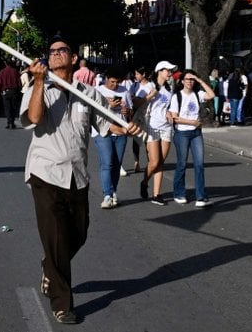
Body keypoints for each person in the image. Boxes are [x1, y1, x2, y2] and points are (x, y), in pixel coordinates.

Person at [20, 35, 140, 325]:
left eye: (62, 50)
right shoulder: (40, 88)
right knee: (57, 238)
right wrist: (37, 83)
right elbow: (34, 118)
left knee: (80, 233)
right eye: (52, 51)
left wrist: (128, 127)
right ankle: (62, 304)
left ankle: (50, 266)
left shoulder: (89, 93)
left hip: (77, 175)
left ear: (74, 58)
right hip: (45, 173)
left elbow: (106, 124)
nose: (56, 54)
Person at [167, 70, 216, 207]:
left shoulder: (197, 94)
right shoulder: (177, 96)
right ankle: (179, 193)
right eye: (187, 79)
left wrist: (200, 80)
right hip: (182, 133)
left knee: (199, 165)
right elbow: (174, 117)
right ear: (182, 81)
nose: (190, 82)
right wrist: (192, 122)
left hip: (196, 133)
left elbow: (211, 95)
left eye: (192, 79)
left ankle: (200, 196)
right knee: (182, 164)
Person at [134, 61, 174, 205]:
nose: (170, 73)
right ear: (159, 71)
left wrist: (169, 112)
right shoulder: (149, 86)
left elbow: (167, 106)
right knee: (154, 161)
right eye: (167, 70)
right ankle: (144, 182)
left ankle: (156, 194)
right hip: (152, 126)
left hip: (166, 127)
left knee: (161, 162)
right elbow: (137, 103)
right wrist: (152, 94)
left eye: (170, 71)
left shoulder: (170, 88)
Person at [93, 67, 132, 209]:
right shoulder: (97, 91)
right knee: (107, 163)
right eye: (112, 82)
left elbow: (130, 112)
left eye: (117, 82)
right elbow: (93, 112)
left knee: (116, 163)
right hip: (103, 131)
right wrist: (107, 105)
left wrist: (126, 111)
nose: (114, 85)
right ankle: (107, 195)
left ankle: (113, 191)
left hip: (121, 131)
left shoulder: (124, 91)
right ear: (106, 79)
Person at [0, 59, 22, 129]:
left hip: (5, 91)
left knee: (7, 108)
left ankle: (9, 122)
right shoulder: (15, 71)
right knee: (13, 107)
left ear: (5, 63)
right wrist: (18, 90)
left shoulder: (2, 72)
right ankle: (12, 121)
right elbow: (19, 83)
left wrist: (0, 91)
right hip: (14, 91)